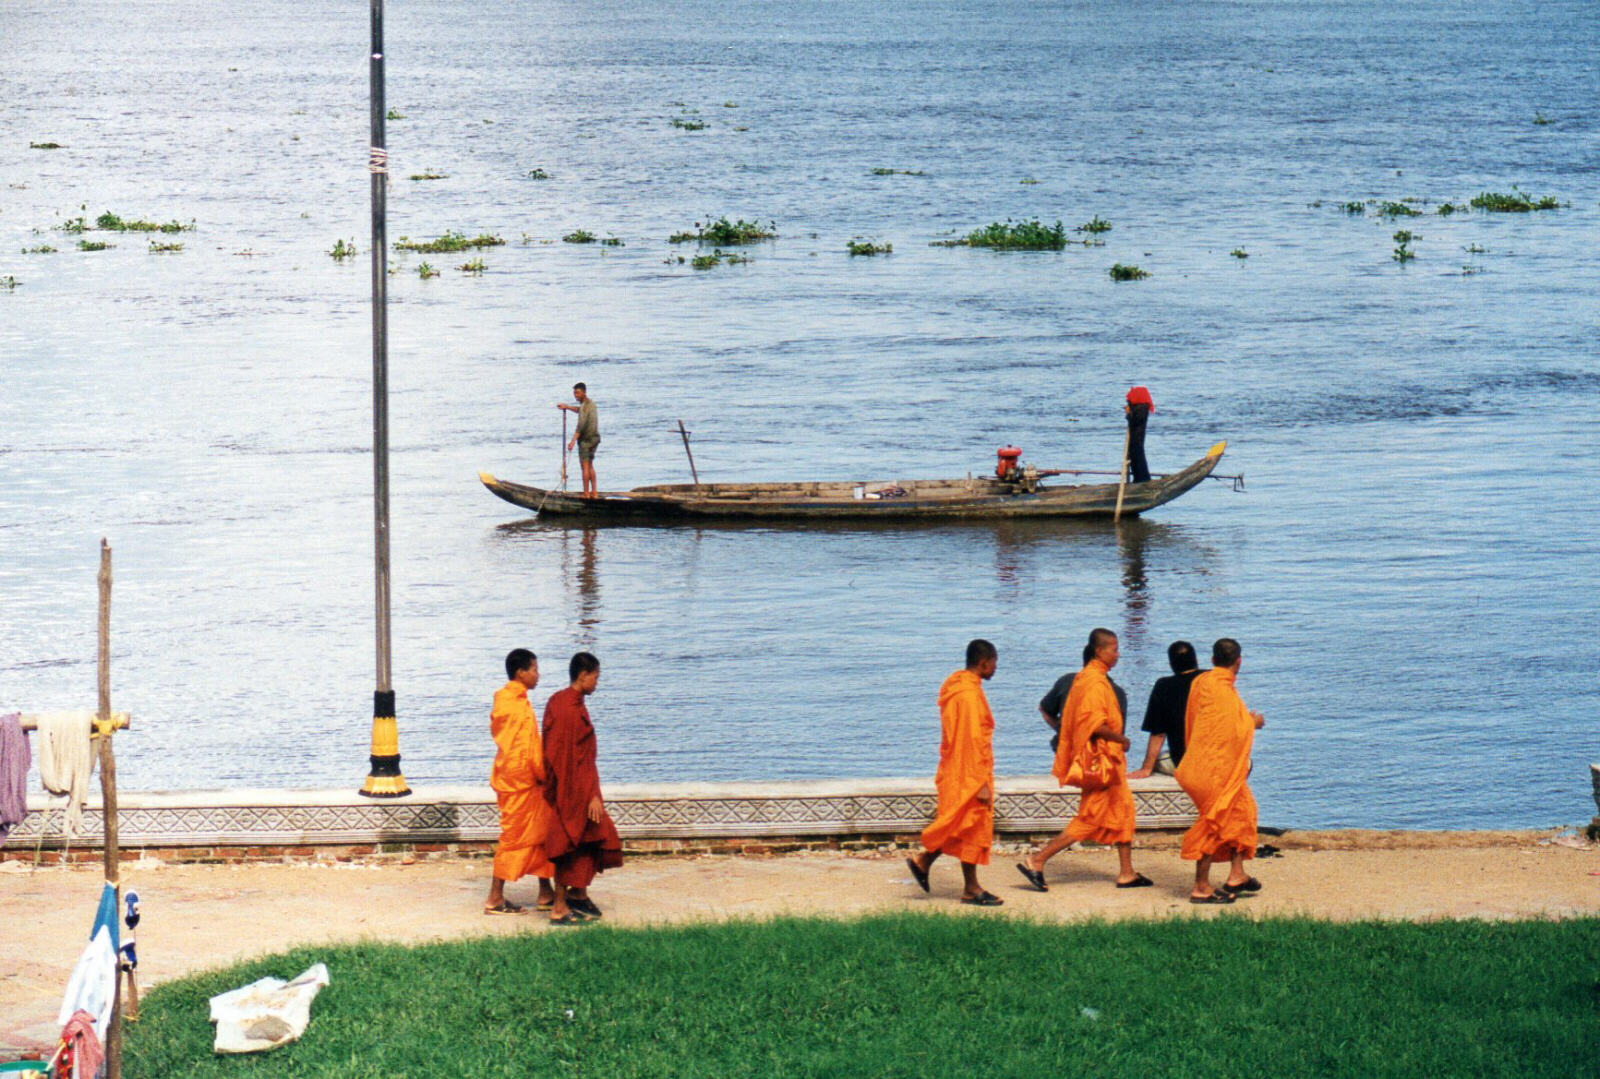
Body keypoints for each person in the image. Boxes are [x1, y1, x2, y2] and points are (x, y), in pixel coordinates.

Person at [1016, 628, 1150, 891]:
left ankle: (1127, 872)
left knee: (1123, 812)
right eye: (1114, 649)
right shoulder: (1093, 682)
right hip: (1101, 761)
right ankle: (1037, 860)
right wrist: (1121, 739)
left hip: (1109, 762)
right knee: (1089, 819)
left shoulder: (1090, 678)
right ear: (1099, 651)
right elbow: (1093, 723)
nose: (1118, 654)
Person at [906, 639, 1002, 906]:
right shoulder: (969, 695)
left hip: (956, 767)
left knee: (960, 825)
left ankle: (923, 861)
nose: (996, 668)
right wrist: (980, 783)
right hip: (969, 771)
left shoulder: (957, 686)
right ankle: (971, 889)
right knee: (972, 827)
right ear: (984, 663)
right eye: (994, 663)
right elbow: (972, 740)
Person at [1175, 638, 1265, 904]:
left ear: (1213, 661)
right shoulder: (1223, 691)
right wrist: (1253, 723)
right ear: (1239, 661)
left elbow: (1201, 723)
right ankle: (1200, 888)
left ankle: (1237, 874)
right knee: (1214, 823)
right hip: (1211, 771)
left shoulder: (1203, 683)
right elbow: (1233, 731)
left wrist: (1242, 721)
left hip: (1199, 765)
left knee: (1244, 811)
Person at [541, 651, 623, 924]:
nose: (597, 683)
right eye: (596, 677)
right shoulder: (569, 711)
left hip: (571, 785)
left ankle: (578, 894)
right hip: (573, 790)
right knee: (570, 843)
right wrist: (590, 796)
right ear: (583, 675)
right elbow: (572, 760)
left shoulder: (561, 701)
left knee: (594, 837)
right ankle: (560, 907)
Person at [486, 649, 556, 914]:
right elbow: (526, 750)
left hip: (514, 776)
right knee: (514, 838)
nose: (538, 675)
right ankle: (494, 898)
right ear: (521, 672)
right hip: (521, 781)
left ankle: (546, 891)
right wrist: (543, 774)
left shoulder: (507, 699)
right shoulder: (516, 705)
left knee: (541, 832)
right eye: (535, 669)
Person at [1128, 640, 1202, 779]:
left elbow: (1158, 733)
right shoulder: (1213, 679)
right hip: (1218, 757)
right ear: (1196, 660)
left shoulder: (1164, 686)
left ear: (1171, 665)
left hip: (1185, 762)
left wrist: (1146, 768)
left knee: (1160, 761)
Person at [1040, 643, 1128, 755]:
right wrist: (1124, 741)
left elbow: (1044, 709)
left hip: (1067, 751)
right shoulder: (1116, 692)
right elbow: (1100, 728)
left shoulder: (1066, 681)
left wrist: (1062, 730)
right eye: (1115, 651)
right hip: (1100, 756)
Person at [557, 383, 601, 499]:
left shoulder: (585, 406)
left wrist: (572, 442)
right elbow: (580, 410)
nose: (575, 396)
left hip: (586, 440)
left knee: (585, 467)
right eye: (574, 393)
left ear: (584, 392)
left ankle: (586, 494)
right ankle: (594, 493)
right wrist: (567, 407)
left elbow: (580, 426)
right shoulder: (590, 404)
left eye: (577, 393)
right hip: (595, 439)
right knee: (590, 465)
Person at [1124, 386, 1154, 484]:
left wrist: (1129, 414)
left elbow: (1135, 421)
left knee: (1138, 456)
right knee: (1133, 457)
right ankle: (1138, 478)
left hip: (1137, 436)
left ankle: (1143, 479)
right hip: (1135, 436)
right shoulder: (1138, 407)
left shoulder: (1142, 408)